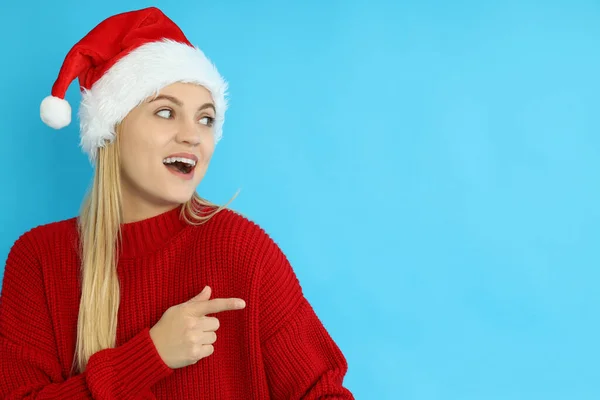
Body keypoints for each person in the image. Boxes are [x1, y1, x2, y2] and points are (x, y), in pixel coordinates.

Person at [0, 7, 354, 399]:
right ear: (111, 130)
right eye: (166, 112)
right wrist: (149, 356)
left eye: (205, 119)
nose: (192, 136)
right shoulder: (39, 259)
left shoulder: (241, 250)